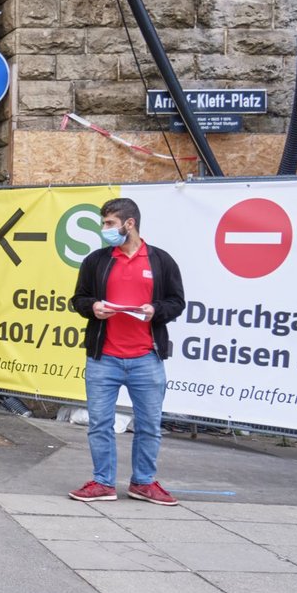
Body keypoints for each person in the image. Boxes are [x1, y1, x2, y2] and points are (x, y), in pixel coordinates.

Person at [68, 198, 185, 506]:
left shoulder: (161, 261)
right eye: (104, 223)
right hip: (103, 358)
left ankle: (143, 483)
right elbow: (78, 300)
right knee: (100, 424)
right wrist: (93, 307)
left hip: (147, 358)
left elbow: (177, 302)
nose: (105, 229)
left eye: (109, 223)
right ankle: (103, 483)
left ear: (129, 223)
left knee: (149, 425)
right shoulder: (96, 261)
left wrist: (155, 310)